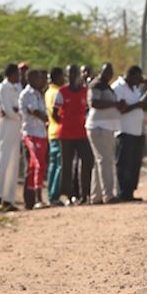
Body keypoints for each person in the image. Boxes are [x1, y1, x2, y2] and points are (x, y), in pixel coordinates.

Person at [54, 64, 93, 205]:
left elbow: (88, 108)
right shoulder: (62, 92)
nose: (72, 76)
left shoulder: (85, 91)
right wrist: (66, 122)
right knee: (66, 165)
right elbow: (55, 114)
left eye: (74, 73)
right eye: (69, 73)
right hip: (66, 135)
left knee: (86, 161)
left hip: (82, 133)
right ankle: (67, 195)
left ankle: (85, 194)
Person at [112, 65, 147, 201]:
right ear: (131, 76)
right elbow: (120, 109)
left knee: (134, 164)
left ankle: (130, 193)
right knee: (124, 164)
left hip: (137, 131)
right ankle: (122, 193)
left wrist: (141, 105)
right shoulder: (118, 87)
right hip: (124, 130)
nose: (140, 80)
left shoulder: (134, 88)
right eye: (138, 78)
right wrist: (138, 105)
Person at [86, 63, 123, 204]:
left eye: (111, 72)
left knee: (99, 161)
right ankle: (108, 195)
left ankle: (96, 196)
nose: (109, 74)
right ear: (101, 71)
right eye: (106, 71)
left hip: (106, 127)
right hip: (99, 127)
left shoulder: (106, 86)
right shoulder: (96, 85)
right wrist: (114, 104)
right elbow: (94, 102)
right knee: (105, 160)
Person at [0, 64, 22, 209]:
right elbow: (8, 111)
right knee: (2, 161)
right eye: (17, 74)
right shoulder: (2, 88)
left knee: (13, 164)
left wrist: (18, 112)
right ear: (11, 74)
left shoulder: (18, 87)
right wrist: (18, 114)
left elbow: (20, 108)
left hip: (15, 130)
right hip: (4, 130)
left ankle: (8, 198)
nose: (19, 77)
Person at [19, 70, 49, 209]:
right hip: (31, 133)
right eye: (38, 77)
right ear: (31, 78)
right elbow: (35, 112)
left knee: (34, 166)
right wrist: (46, 119)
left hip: (41, 133)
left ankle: (30, 201)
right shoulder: (27, 94)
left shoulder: (38, 94)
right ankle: (38, 198)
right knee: (38, 165)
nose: (41, 80)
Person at [44, 67, 65, 205]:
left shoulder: (48, 92)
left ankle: (50, 194)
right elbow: (56, 114)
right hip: (59, 131)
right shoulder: (58, 92)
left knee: (53, 164)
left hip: (51, 131)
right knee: (59, 165)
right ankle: (54, 196)